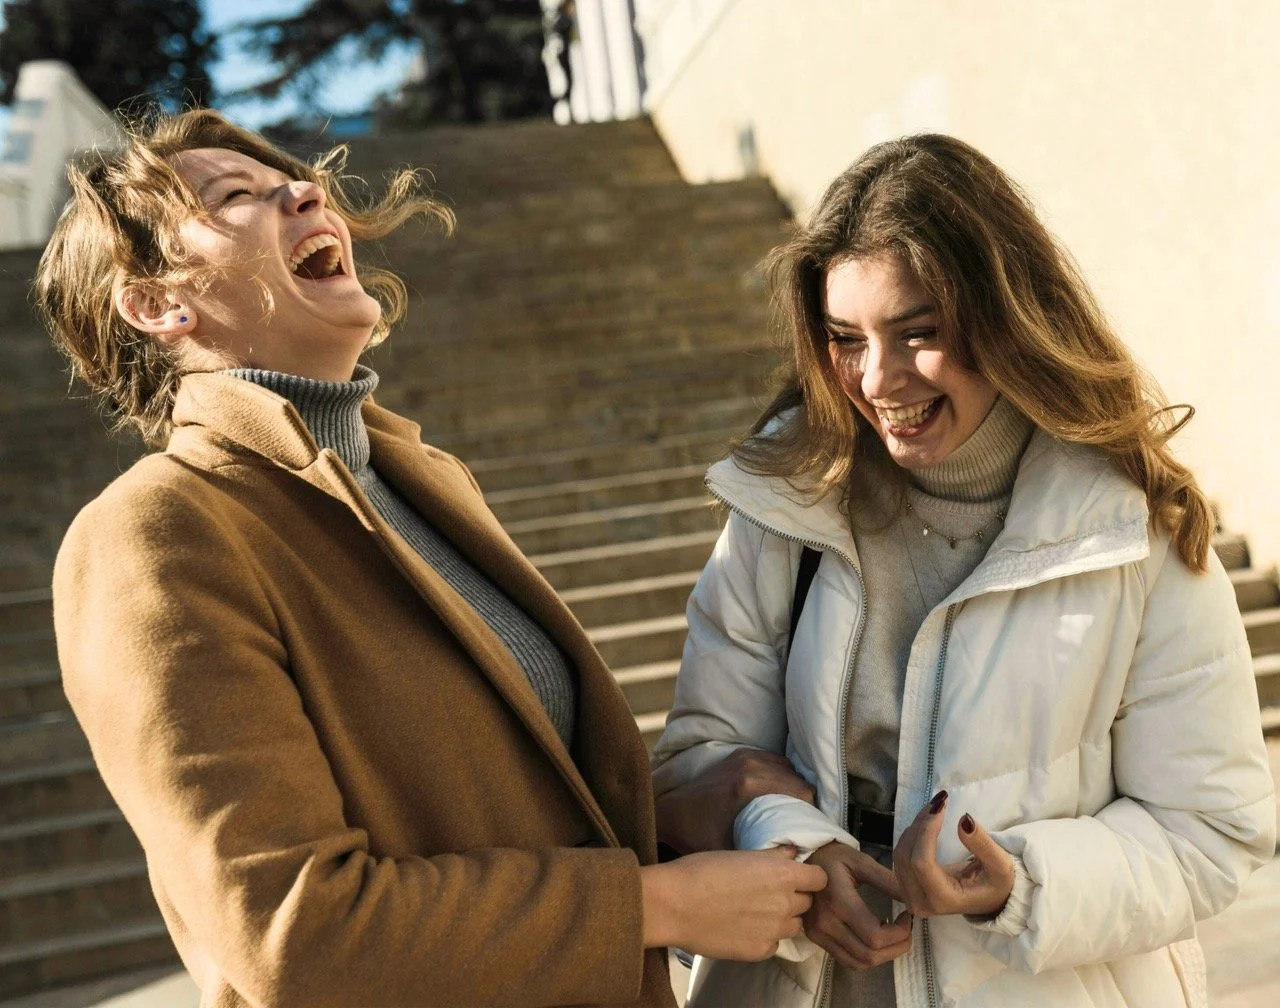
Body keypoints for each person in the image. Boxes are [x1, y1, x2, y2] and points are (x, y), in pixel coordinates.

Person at [39, 108, 828, 1008]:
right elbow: (295, 930)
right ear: (156, 302)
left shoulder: (418, 478)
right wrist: (654, 905)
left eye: (293, 181)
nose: (305, 190)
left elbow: (480, 811)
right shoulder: (155, 535)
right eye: (236, 198)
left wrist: (669, 821)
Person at [650, 134, 1277, 1008]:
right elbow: (697, 763)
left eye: (918, 333)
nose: (876, 378)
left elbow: (1212, 831)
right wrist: (796, 846)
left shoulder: (1134, 524)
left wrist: (1020, 883)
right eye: (844, 338)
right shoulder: (781, 504)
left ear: (1006, 315)